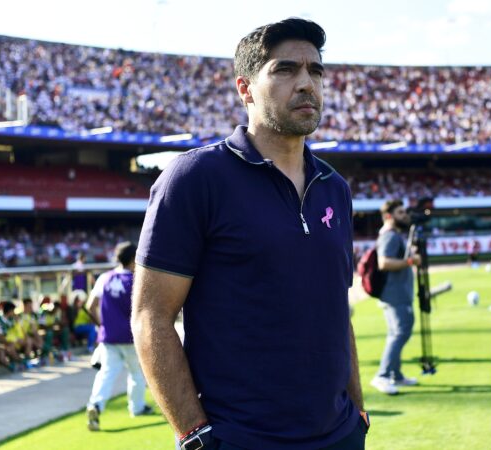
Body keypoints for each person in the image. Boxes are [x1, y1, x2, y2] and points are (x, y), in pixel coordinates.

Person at [132, 17, 367, 450]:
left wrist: (358, 411)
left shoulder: (335, 187)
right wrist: (193, 434)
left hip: (340, 436)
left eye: (315, 71)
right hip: (241, 438)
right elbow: (151, 316)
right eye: (285, 70)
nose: (306, 83)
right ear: (245, 89)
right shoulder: (195, 178)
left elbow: (337, 309)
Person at [85, 242, 151, 431]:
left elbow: (90, 306)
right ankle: (137, 408)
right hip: (131, 337)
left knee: (106, 373)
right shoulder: (136, 280)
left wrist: (102, 325)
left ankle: (95, 406)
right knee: (137, 373)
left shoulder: (104, 278)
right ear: (133, 258)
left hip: (109, 336)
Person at [370, 199, 420, 395]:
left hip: (396, 291)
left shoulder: (392, 234)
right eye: (400, 212)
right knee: (401, 332)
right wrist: (410, 260)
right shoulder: (389, 236)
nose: (405, 215)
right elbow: (384, 263)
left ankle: (396, 375)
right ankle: (382, 375)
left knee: (396, 333)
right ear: (389, 216)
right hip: (395, 293)